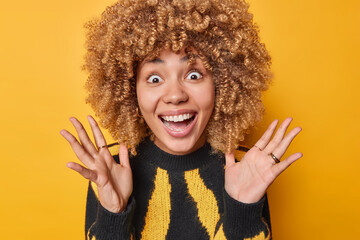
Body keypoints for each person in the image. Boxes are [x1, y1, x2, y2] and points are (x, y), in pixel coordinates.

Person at [60, 0, 302, 239]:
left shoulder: (247, 172)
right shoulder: (109, 174)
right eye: (155, 79)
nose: (175, 96)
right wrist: (113, 215)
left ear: (222, 82)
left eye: (194, 74)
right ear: (129, 90)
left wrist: (242, 212)